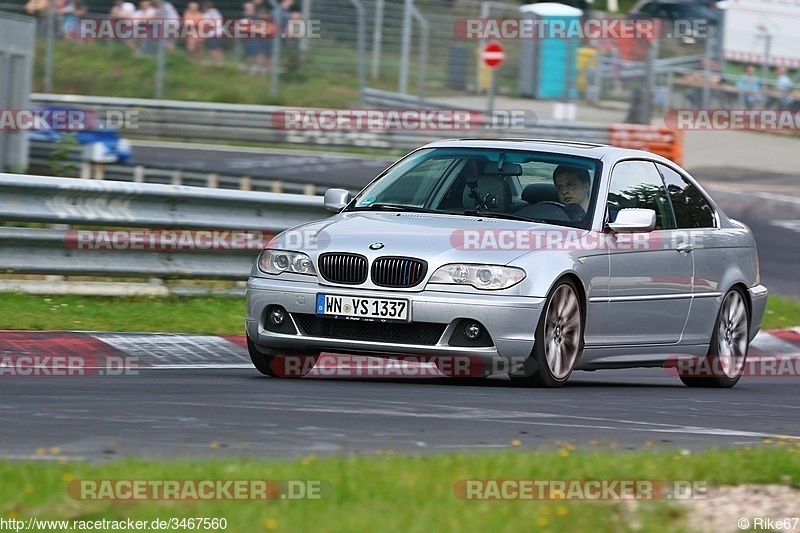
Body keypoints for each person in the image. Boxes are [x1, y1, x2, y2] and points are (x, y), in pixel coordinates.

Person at [201, 1, 224, 65]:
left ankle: (217, 63)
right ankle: (220, 62)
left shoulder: (207, 14)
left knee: (212, 49)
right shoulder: (216, 12)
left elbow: (205, 24)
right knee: (218, 48)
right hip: (219, 33)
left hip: (214, 33)